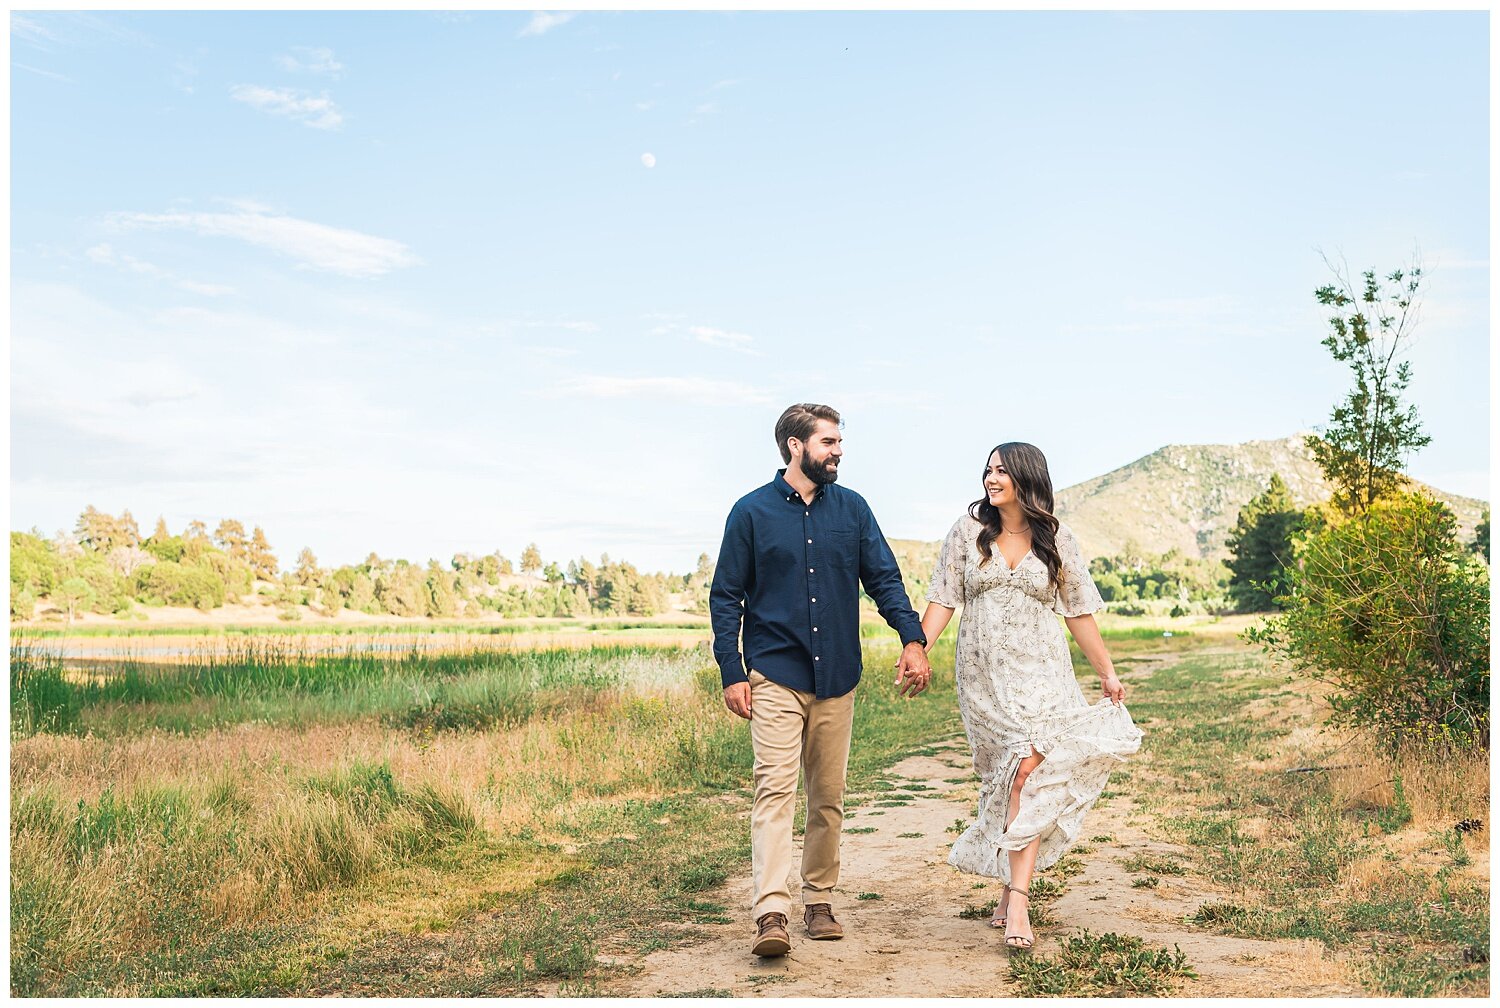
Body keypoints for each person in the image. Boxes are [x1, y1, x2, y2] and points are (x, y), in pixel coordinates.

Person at [710, 403, 932, 958]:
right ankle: (771, 913)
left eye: (838, 442)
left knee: (827, 797)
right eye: (828, 442)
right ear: (795, 445)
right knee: (774, 791)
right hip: (775, 673)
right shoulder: (751, 512)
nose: (838, 451)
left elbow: (884, 579)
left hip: (836, 675)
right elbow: (726, 597)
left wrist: (912, 639)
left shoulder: (852, 510)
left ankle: (819, 900)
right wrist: (732, 672)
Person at [918, 442, 1142, 951]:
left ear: (1026, 477)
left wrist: (1106, 673)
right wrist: (918, 649)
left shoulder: (1056, 539)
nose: (991, 478)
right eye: (988, 469)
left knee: (1029, 771)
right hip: (984, 680)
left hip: (1044, 674)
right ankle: (1007, 885)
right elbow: (942, 598)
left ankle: (1018, 898)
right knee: (1005, 778)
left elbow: (1079, 611)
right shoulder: (967, 534)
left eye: (1001, 470)